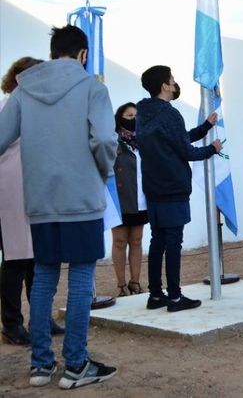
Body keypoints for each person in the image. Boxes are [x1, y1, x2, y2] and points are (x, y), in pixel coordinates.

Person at [0, 26, 118, 388]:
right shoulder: (92, 88)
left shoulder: (23, 91)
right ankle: (76, 365)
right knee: (81, 278)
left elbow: (2, 138)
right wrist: (102, 170)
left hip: (40, 199)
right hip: (80, 198)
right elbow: (103, 138)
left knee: (44, 278)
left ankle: (40, 366)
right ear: (83, 54)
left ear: (52, 52)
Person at [136, 65, 222, 312]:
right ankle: (174, 297)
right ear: (164, 85)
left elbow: (176, 140)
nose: (175, 84)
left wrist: (205, 126)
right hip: (173, 188)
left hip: (153, 188)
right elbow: (185, 150)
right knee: (173, 243)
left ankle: (155, 295)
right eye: (172, 80)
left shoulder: (144, 113)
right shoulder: (170, 114)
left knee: (158, 241)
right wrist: (212, 149)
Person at [0, 57, 65, 347]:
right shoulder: (6, 107)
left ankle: (40, 318)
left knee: (38, 260)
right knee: (16, 261)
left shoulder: (36, 108)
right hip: (11, 193)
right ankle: (11, 324)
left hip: (36, 192)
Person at [111, 102, 148, 296]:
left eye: (136, 115)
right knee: (119, 241)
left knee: (137, 240)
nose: (133, 119)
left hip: (141, 198)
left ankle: (135, 282)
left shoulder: (143, 140)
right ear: (120, 118)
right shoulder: (113, 141)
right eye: (128, 115)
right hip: (120, 198)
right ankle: (121, 285)